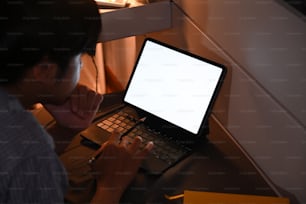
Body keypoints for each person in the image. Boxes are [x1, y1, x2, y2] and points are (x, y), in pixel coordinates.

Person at [0, 0, 153, 203]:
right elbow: (25, 161)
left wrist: (64, 131)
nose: (81, 65)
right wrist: (110, 187)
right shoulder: (31, 153)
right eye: (79, 58)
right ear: (44, 71)